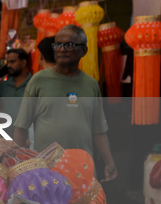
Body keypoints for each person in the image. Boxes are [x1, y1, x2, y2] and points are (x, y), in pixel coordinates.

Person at [11, 25, 118, 182]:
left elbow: (99, 131)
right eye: (58, 45)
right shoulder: (38, 81)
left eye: (69, 45)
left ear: (84, 51)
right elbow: (21, 127)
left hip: (82, 172)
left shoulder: (91, 85)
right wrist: (17, 165)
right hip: (46, 173)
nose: (62, 49)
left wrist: (110, 162)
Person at [0, 48, 32, 120]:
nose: (9, 65)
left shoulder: (34, 83)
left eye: (12, 62)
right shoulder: (5, 84)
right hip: (6, 129)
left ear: (23, 63)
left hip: (25, 130)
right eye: (8, 62)